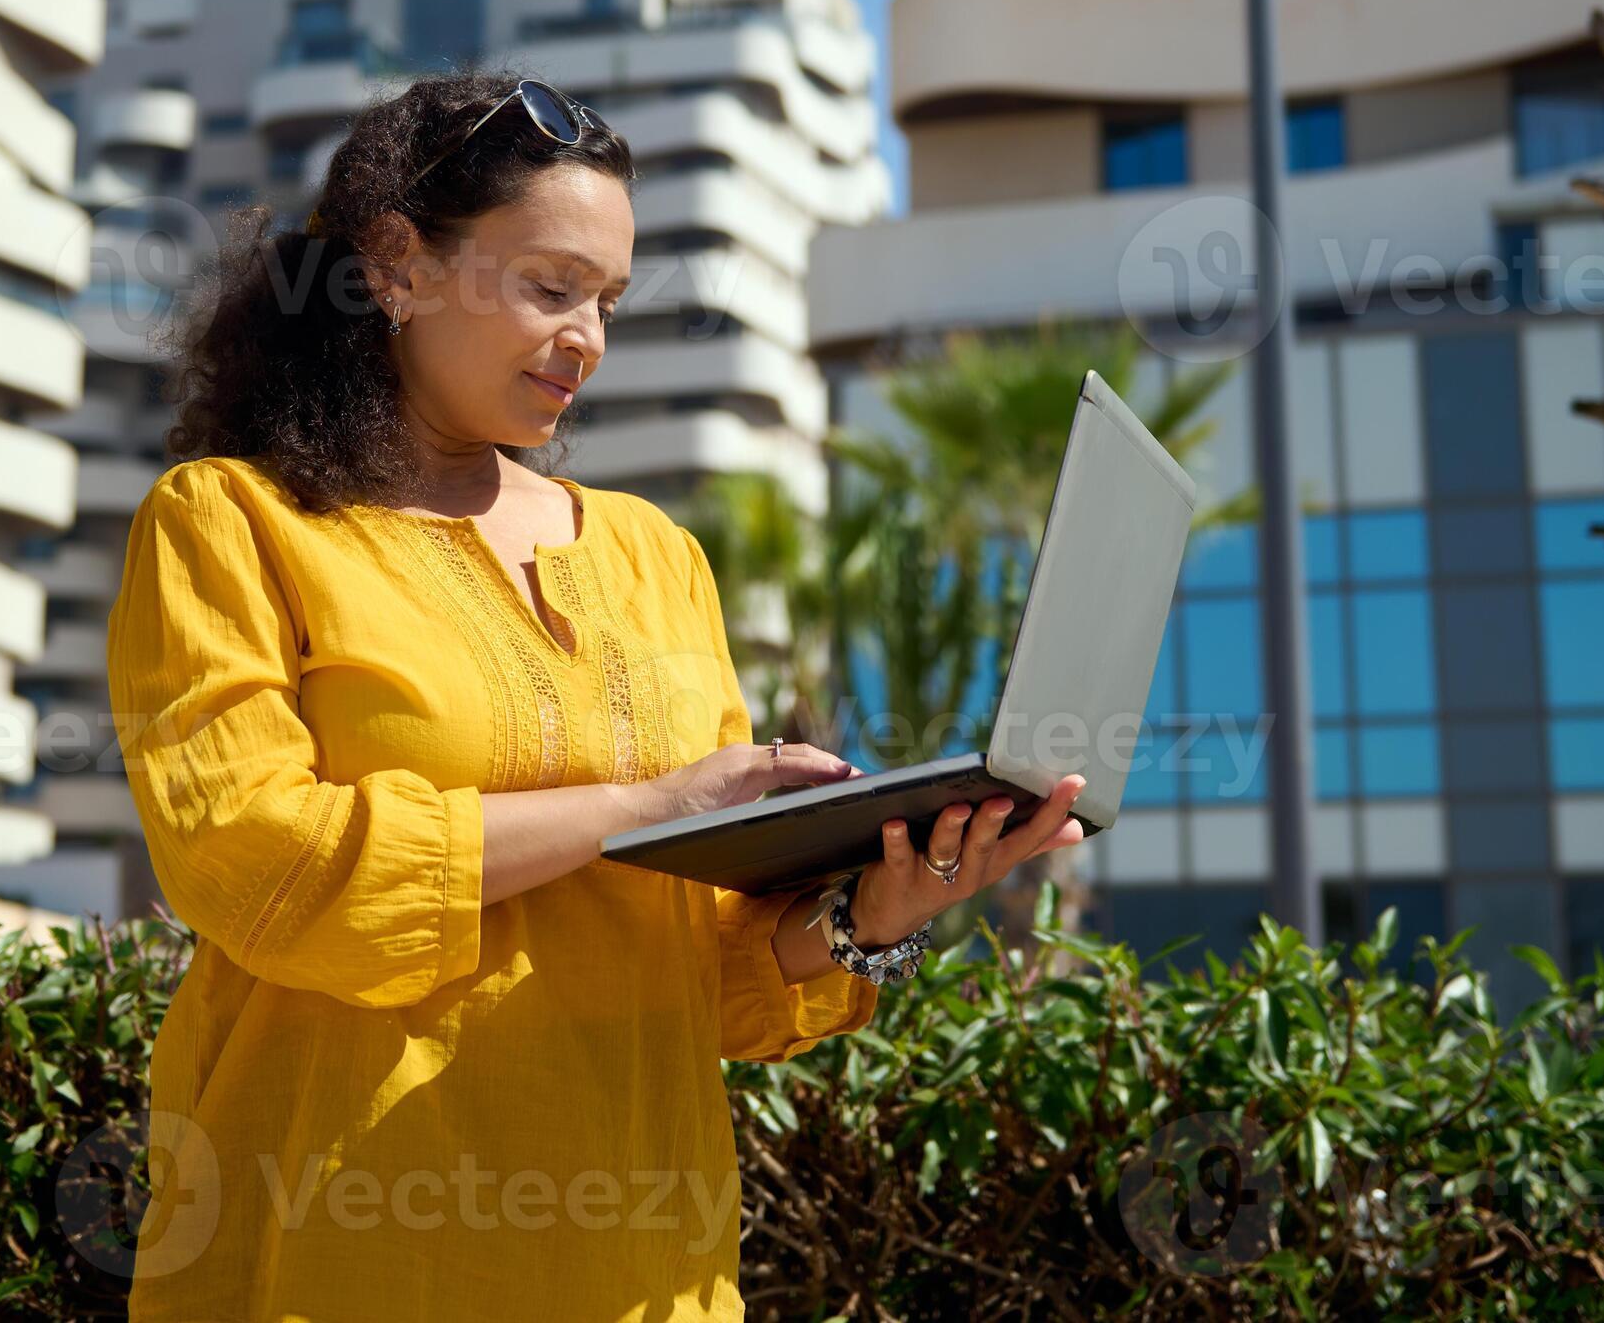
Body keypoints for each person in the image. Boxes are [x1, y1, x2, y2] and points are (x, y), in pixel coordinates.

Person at [105, 70, 1088, 1319]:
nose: (589, 340)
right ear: (397, 267)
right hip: (341, 1263)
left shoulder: (653, 557)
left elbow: (717, 976)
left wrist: (878, 912)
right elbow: (261, 867)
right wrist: (641, 802)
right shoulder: (230, 523)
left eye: (609, 301)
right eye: (550, 287)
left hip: (649, 1279)